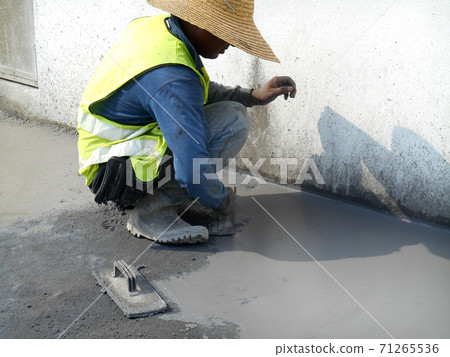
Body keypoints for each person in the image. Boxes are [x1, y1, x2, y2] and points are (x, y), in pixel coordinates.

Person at [77, 0, 296, 244]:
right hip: (115, 174)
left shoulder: (162, 30)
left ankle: (160, 195)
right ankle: (151, 212)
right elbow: (192, 170)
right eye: (225, 33)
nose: (231, 43)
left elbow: (195, 93)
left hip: (107, 155)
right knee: (234, 121)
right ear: (197, 22)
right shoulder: (172, 77)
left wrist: (252, 96)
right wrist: (221, 201)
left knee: (221, 117)